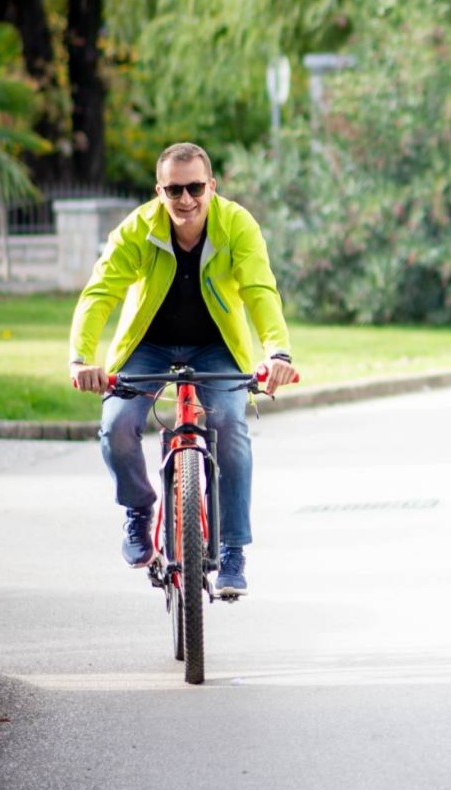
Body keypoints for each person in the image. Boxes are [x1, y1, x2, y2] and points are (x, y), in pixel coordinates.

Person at [69, 142, 297, 596]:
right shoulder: (137, 230)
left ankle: (233, 550)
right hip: (148, 345)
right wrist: (81, 357)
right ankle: (139, 512)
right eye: (174, 190)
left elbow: (259, 291)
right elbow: (100, 294)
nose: (186, 199)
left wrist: (279, 354)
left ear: (212, 187)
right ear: (160, 191)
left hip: (216, 346)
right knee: (116, 425)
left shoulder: (237, 225)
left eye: (195, 187)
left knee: (231, 424)